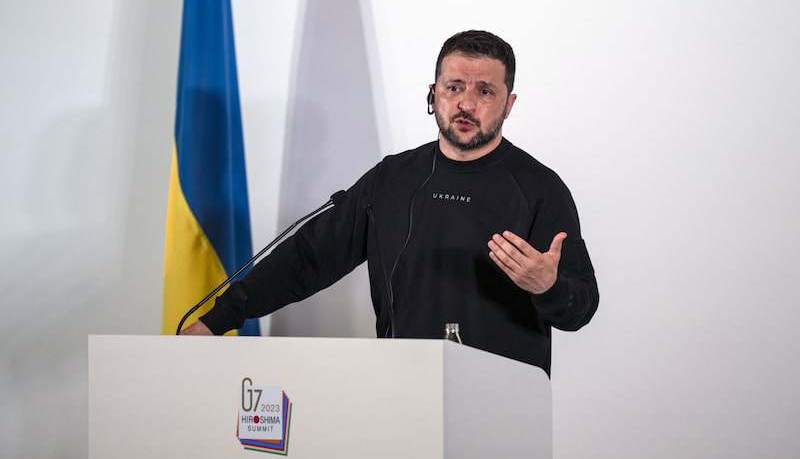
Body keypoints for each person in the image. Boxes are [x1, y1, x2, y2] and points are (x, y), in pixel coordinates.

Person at [181, 30, 599, 375]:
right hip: (402, 397)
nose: (466, 103)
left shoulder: (539, 188)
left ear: (509, 105)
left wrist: (549, 288)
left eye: (485, 91)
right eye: (454, 87)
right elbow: (307, 258)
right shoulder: (392, 179)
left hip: (503, 407)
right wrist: (219, 320)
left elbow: (580, 308)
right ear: (434, 95)